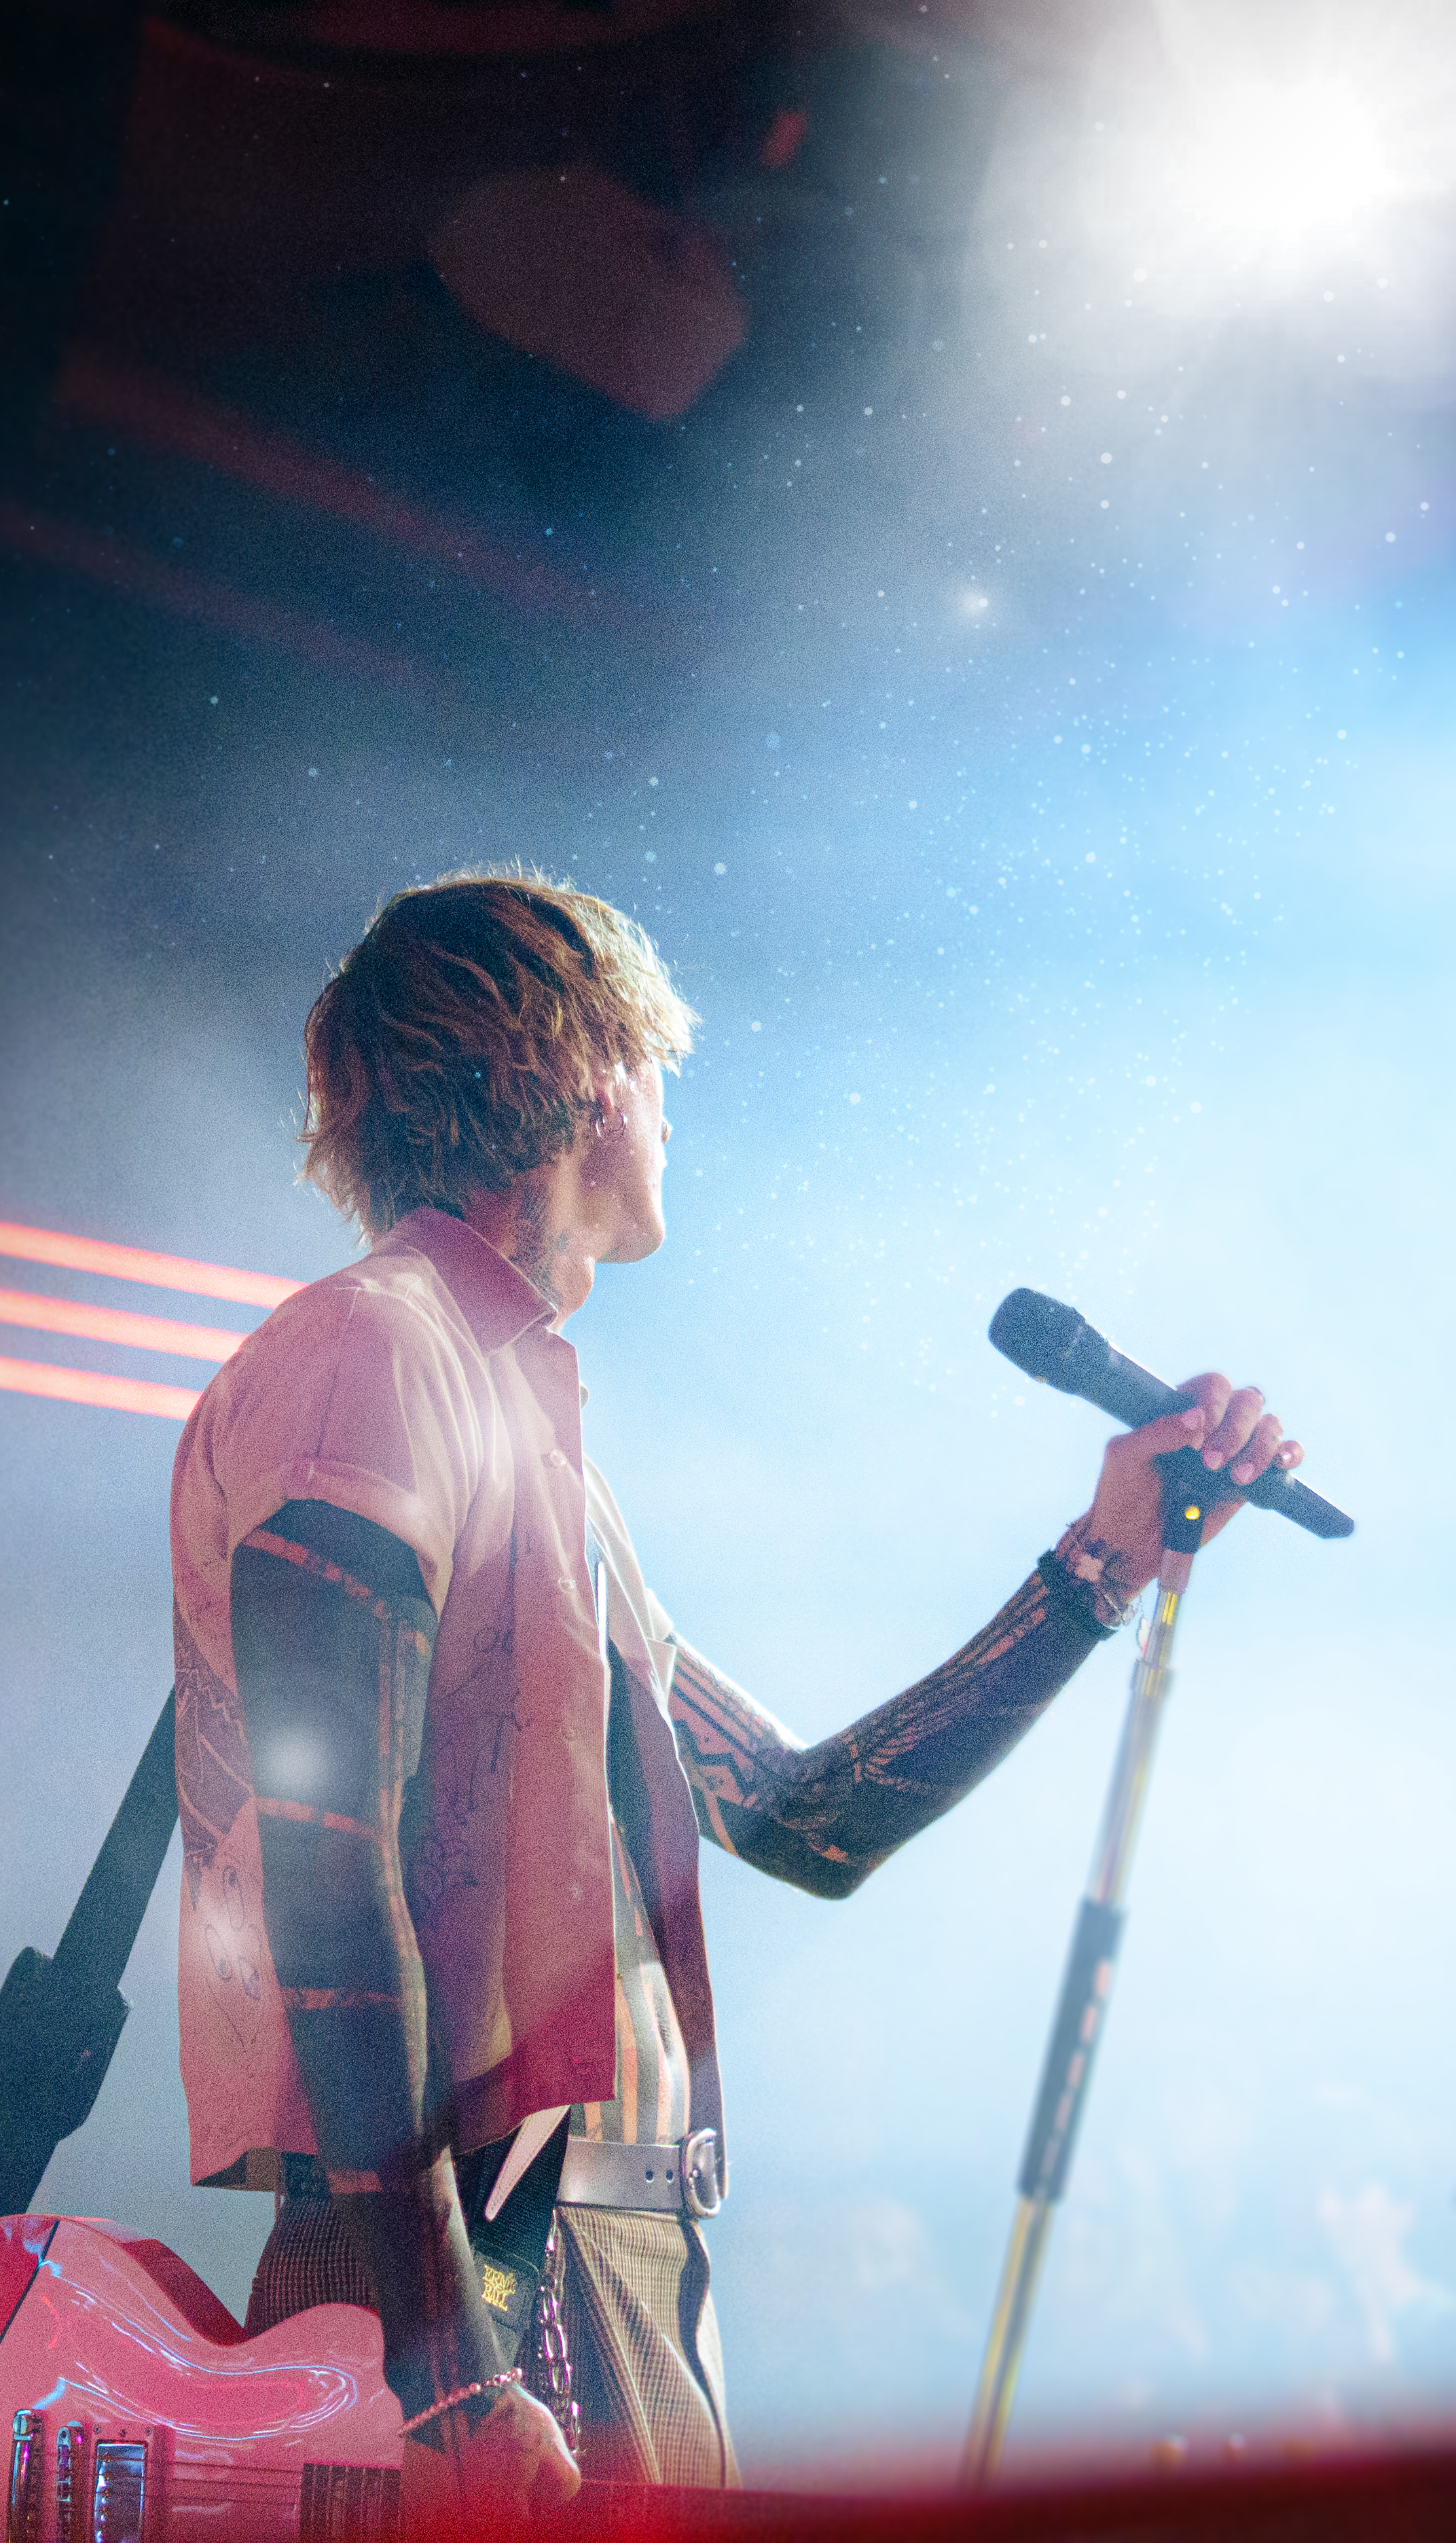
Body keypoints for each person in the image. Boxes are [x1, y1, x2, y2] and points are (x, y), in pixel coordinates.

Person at [168, 872, 1301, 2528]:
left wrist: (1103, 1559)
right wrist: (449, 2359)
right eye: (663, 1073)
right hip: (488, 2268)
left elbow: (801, 1820)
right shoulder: (379, 1350)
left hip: (584, 2261)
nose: (676, 1118)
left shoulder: (522, 1433)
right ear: (590, 1071)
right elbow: (324, 1849)